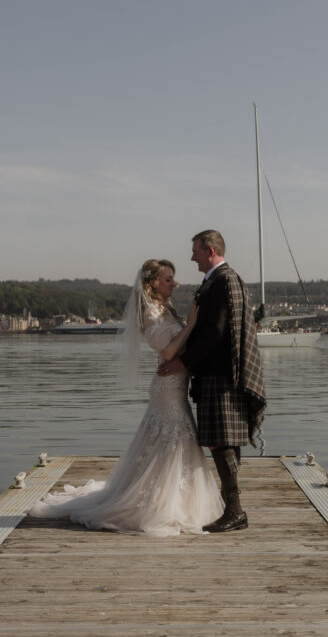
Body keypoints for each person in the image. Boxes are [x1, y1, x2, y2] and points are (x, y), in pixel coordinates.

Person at [27, 259, 223, 536]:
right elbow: (167, 353)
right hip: (167, 388)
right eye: (168, 279)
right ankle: (159, 503)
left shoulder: (164, 309)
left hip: (175, 385)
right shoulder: (151, 313)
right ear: (154, 283)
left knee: (171, 441)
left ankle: (178, 498)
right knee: (176, 439)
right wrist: (190, 327)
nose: (174, 283)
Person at [158, 230, 265, 533]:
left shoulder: (223, 281)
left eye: (195, 252)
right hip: (218, 374)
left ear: (210, 250)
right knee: (224, 442)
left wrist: (182, 361)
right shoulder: (218, 280)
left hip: (220, 375)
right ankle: (229, 507)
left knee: (222, 443)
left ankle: (234, 510)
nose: (192, 258)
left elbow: (215, 334)